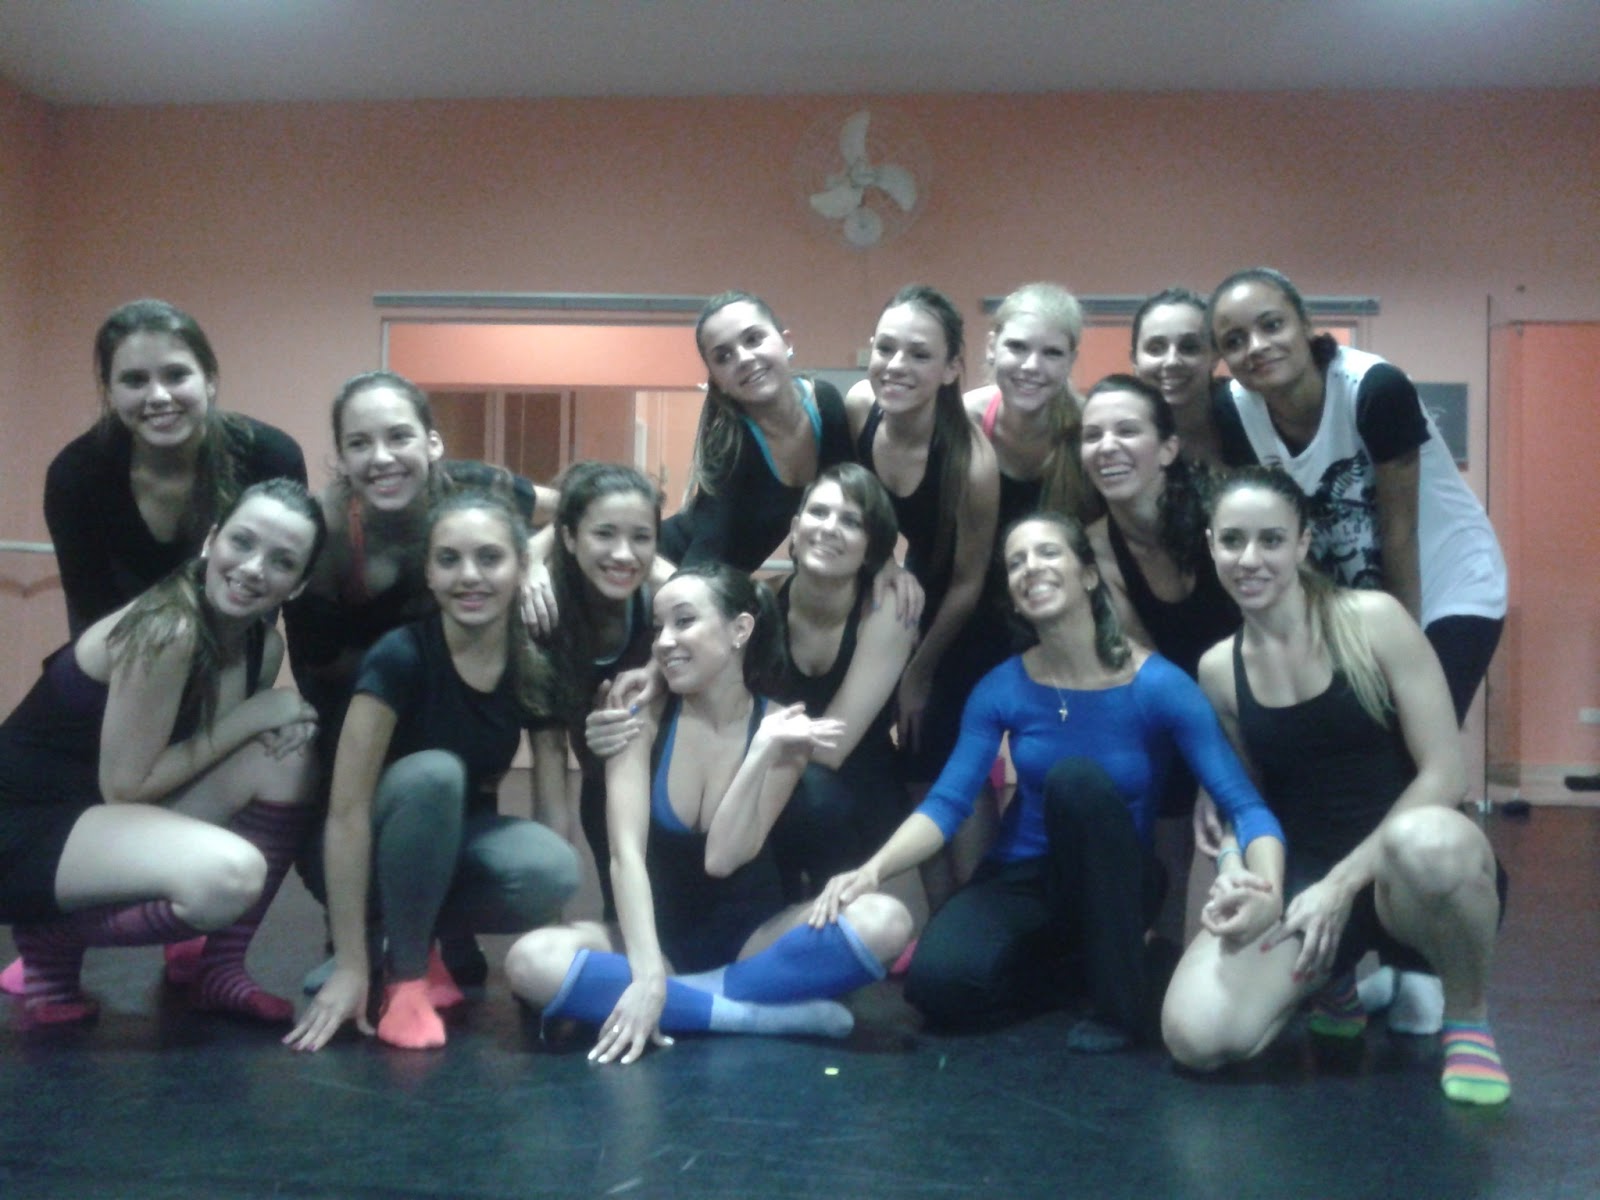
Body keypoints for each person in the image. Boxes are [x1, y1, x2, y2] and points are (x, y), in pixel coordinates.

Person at [811, 512, 1283, 1052]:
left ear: (1088, 576)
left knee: (1075, 780)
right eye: (1016, 562)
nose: (1030, 568)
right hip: (1024, 877)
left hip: (1115, 877)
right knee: (938, 988)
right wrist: (871, 871)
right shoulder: (1001, 687)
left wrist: (1267, 890)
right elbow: (946, 804)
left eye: (1048, 553)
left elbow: (1245, 806)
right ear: (1013, 596)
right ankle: (1085, 972)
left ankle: (1117, 1008)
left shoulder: (1160, 685)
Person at [1209, 267, 1508, 1031]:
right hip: (1348, 591)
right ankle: (1340, 958)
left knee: (1412, 761)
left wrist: (1387, 647)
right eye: (1234, 339)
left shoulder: (1375, 390)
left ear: (1305, 324)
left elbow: (1398, 531)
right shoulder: (1237, 409)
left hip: (1444, 589)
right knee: (1333, 764)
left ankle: (1423, 965)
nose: (1256, 346)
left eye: (1271, 325)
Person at [1161, 467, 1511, 1106]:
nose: (1250, 558)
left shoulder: (1374, 620)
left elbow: (1445, 773)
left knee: (1428, 842)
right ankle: (1332, 978)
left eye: (1271, 539)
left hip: (1408, 871)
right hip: (1305, 880)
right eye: (1233, 540)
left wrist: (1340, 886)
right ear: (1211, 545)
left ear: (1302, 543)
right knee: (1195, 1036)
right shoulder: (1217, 670)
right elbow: (1245, 802)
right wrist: (1236, 871)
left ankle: (1468, 1020)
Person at [503, 563, 912, 1065]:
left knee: (887, 921)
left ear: (740, 630)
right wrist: (649, 973)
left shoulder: (783, 732)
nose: (664, 642)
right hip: (655, 942)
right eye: (658, 627)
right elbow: (625, 856)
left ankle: (686, 1004)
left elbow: (723, 858)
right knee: (529, 963)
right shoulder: (639, 717)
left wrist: (760, 752)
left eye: (684, 621)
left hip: (754, 943)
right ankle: (751, 1015)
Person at [0, 478, 325, 1025]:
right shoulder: (169, 627)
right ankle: (49, 938)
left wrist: (284, 721)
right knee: (229, 877)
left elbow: (201, 756)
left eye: (282, 561)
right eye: (242, 542)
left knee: (290, 760)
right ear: (212, 540)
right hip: (23, 827)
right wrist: (254, 716)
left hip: (95, 817)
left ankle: (220, 969)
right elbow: (127, 787)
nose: (253, 568)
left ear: (298, 585)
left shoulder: (262, 645)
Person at [284, 370, 557, 990]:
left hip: (453, 722)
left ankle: (434, 926)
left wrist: (534, 561)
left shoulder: (473, 485)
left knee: (464, 761)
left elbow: (573, 510)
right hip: (362, 731)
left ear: (432, 442)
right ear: (341, 457)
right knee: (421, 776)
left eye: (399, 436)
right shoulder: (327, 530)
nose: (382, 458)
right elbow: (314, 672)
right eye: (359, 443)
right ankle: (369, 930)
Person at [285, 491, 579, 1052]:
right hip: (356, 849)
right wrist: (348, 965)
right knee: (435, 775)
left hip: (445, 846)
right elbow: (346, 813)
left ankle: (408, 939)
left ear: (522, 566)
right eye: (449, 560)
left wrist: (553, 945)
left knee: (551, 868)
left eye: (490, 558)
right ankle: (405, 976)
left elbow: (552, 807)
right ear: (428, 572)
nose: (469, 576)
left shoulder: (535, 660)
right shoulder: (399, 657)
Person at [1079, 374, 1241, 938]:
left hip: (1255, 694)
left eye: (1127, 431)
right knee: (1145, 757)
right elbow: (1149, 668)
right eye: (1092, 435)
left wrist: (1222, 761)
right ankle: (1163, 945)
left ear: (1168, 448)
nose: (1107, 447)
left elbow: (1272, 632)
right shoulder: (1095, 546)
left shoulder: (1223, 515)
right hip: (1178, 709)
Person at [45, 299, 307, 637]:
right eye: (135, 380)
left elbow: (280, 591)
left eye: (176, 375)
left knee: (269, 649)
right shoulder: (75, 475)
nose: (158, 395)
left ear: (209, 379)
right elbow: (89, 607)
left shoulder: (272, 457)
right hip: (114, 642)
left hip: (231, 637)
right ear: (110, 392)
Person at [845, 285, 1000, 787]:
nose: (895, 366)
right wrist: (886, 562)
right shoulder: (859, 407)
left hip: (968, 612)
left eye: (919, 354)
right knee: (872, 749)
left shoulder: (971, 463)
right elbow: (855, 505)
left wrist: (918, 673)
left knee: (935, 765)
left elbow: (968, 584)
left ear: (951, 369)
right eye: (885, 348)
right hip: (907, 582)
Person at [770, 464, 917, 898]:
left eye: (851, 521)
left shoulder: (888, 611)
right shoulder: (761, 601)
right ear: (795, 529)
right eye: (818, 513)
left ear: (872, 549)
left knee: (815, 792)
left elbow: (831, 748)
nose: (829, 528)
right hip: (776, 778)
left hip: (858, 794)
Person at [536, 461, 663, 914]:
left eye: (641, 537)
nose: (624, 554)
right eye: (604, 534)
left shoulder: (667, 602)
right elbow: (549, 759)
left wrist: (658, 672)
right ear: (569, 538)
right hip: (600, 779)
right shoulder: (544, 611)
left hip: (674, 780)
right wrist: (549, 917)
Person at [658, 291, 858, 573]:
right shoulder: (731, 444)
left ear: (787, 342)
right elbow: (706, 558)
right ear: (718, 380)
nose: (743, 358)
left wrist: (885, 564)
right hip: (668, 561)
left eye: (753, 339)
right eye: (723, 357)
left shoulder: (825, 403)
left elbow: (855, 503)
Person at [1129, 287, 1249, 470]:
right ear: (1134, 360)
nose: (1172, 361)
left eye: (1189, 347)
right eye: (1156, 349)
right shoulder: (1120, 436)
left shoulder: (1251, 413)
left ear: (1215, 355)